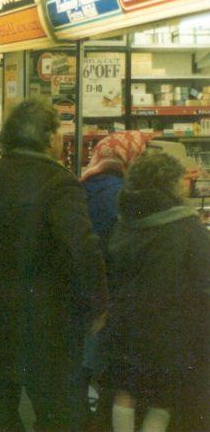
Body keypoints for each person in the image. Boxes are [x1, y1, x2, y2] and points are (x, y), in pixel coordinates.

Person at [0, 98, 108, 430]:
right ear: (47, 136)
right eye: (59, 133)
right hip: (44, 324)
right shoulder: (59, 183)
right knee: (56, 413)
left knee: (0, 411)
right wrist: (98, 305)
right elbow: (82, 250)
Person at [102, 152, 208, 432]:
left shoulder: (124, 221)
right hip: (170, 332)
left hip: (124, 327)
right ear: (171, 184)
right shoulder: (186, 227)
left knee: (126, 392)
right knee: (164, 400)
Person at [77, 131, 155, 426]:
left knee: (85, 362)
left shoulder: (89, 182)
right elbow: (117, 244)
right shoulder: (116, 193)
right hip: (106, 288)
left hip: (87, 286)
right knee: (99, 362)